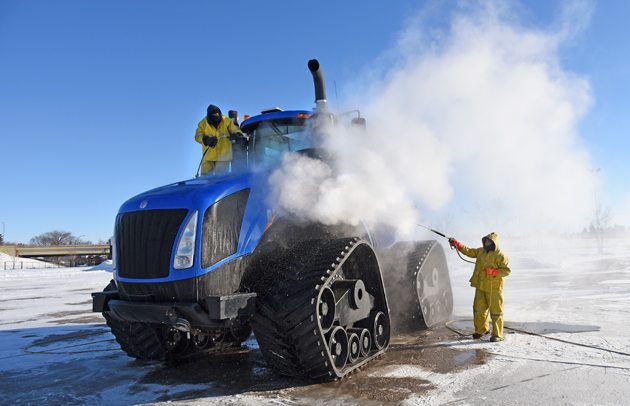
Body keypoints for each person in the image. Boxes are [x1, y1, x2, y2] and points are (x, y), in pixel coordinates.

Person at [449, 232, 511, 342]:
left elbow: (506, 271)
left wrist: (494, 272)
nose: (486, 243)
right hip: (481, 286)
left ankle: (497, 335)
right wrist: (457, 244)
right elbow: (469, 251)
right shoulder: (480, 251)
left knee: (496, 312)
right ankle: (481, 330)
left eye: (488, 241)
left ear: (494, 243)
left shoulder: (500, 255)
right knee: (478, 309)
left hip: (494, 289)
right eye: (485, 241)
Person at [195, 104, 245, 175]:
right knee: (205, 180)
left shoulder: (226, 121)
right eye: (214, 114)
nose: (216, 116)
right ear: (209, 116)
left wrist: (237, 134)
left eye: (218, 114)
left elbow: (235, 129)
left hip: (223, 157)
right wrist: (206, 139)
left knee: (220, 180)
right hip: (208, 157)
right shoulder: (203, 123)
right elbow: (197, 136)